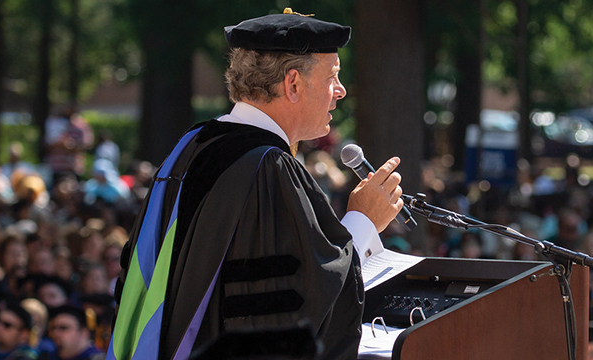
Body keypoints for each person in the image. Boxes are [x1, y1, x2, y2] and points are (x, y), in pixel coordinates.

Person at [110, 9, 404, 360]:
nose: (340, 91)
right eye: (333, 77)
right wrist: (363, 220)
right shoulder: (268, 168)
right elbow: (303, 300)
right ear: (293, 83)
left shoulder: (191, 145)